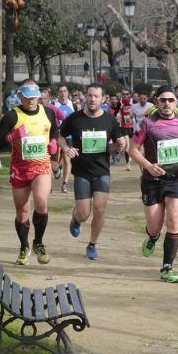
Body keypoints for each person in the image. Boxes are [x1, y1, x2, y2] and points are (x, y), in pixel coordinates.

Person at [129, 86, 178, 283]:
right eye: (163, 100)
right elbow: (133, 150)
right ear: (156, 102)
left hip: (177, 178)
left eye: (170, 100)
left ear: (176, 102)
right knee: (154, 226)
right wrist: (148, 166)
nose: (167, 104)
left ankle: (167, 267)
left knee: (174, 222)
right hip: (153, 180)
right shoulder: (148, 124)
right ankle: (152, 237)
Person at [0, 80, 59, 266]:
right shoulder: (12, 116)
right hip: (20, 168)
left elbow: (54, 132)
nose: (31, 101)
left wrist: (53, 145)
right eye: (27, 98)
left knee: (41, 201)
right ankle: (24, 246)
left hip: (41, 166)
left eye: (34, 97)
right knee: (22, 211)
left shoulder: (49, 113)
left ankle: (38, 242)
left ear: (39, 96)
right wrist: (11, 137)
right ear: (20, 96)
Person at [60, 85, 127, 260]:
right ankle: (76, 218)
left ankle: (92, 245)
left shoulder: (110, 120)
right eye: (89, 96)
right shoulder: (75, 119)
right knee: (84, 213)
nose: (92, 99)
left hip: (101, 171)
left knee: (99, 209)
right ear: (85, 98)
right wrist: (66, 148)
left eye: (96, 96)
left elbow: (116, 148)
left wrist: (120, 146)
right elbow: (59, 137)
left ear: (102, 99)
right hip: (81, 171)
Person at [55, 85, 76, 192]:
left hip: (69, 137)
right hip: (57, 136)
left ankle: (64, 184)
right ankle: (56, 168)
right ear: (58, 93)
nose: (63, 93)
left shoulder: (73, 105)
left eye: (64, 91)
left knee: (67, 161)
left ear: (68, 93)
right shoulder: (54, 105)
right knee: (54, 161)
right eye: (60, 91)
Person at [117, 91, 135, 170]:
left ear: (129, 95)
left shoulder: (133, 104)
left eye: (126, 94)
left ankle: (129, 162)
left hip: (132, 127)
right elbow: (118, 115)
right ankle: (128, 164)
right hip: (124, 127)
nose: (125, 95)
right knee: (127, 145)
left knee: (131, 146)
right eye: (123, 94)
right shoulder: (120, 104)